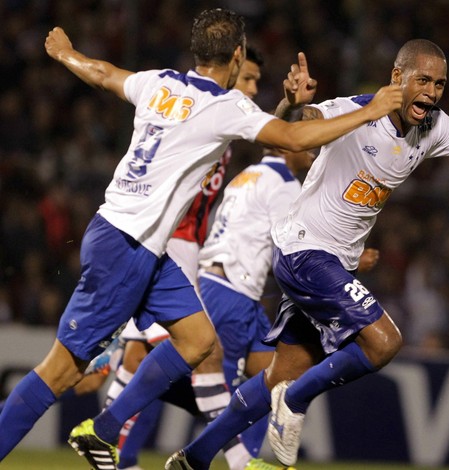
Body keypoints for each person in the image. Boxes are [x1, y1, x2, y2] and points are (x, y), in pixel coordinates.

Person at [164, 38, 449, 470]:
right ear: (397, 78)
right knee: (384, 342)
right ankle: (294, 402)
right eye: (423, 80)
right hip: (304, 250)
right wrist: (291, 104)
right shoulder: (353, 111)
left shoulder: (434, 126)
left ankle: (195, 457)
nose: (431, 92)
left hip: (332, 262)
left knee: (281, 372)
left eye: (440, 84)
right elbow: (292, 129)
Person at [0, 8, 402, 470]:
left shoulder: (160, 83)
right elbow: (291, 139)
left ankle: (103, 432)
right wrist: (371, 110)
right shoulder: (224, 105)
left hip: (147, 249)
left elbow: (104, 74)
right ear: (236, 56)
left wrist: (67, 53)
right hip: (125, 243)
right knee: (62, 370)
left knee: (198, 340)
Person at [101, 46, 273, 470]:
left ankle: (107, 447)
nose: (252, 88)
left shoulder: (221, 111)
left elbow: (268, 131)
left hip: (169, 240)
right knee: (203, 351)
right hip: (169, 239)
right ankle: (236, 461)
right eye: (247, 78)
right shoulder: (210, 109)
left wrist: (287, 104)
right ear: (231, 67)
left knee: (141, 356)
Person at [196, 143, 380, 462]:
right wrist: (343, 260)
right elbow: (291, 243)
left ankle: (240, 461)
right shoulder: (284, 184)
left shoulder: (247, 175)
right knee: (212, 386)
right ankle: (225, 460)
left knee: (273, 377)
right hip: (233, 290)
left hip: (227, 283)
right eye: (306, 143)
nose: (313, 150)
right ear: (284, 145)